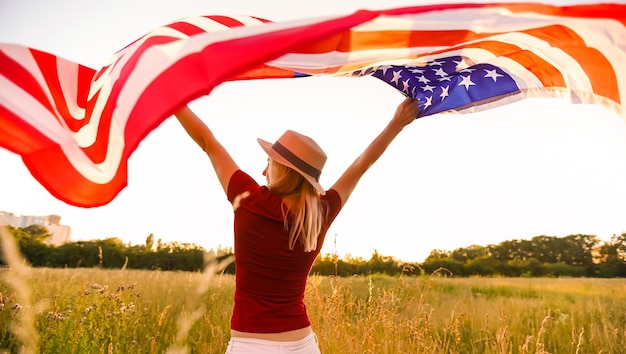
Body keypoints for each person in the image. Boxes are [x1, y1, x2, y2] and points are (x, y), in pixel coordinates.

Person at [174, 97, 419, 353]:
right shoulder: (321, 213)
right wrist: (396, 124)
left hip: (251, 344)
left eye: (269, 163)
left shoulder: (249, 200)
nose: (263, 171)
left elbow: (207, 142)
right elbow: (361, 165)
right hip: (302, 345)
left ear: (282, 169)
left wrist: (173, 99)